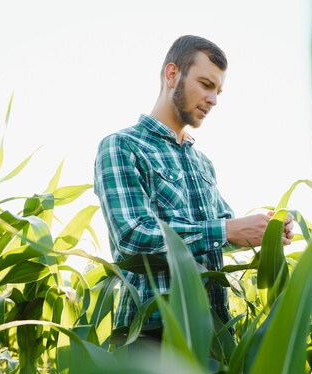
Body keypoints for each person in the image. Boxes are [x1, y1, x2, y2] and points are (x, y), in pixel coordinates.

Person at [94, 35, 294, 341]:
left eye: (218, 91)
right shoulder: (122, 146)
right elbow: (132, 236)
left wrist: (267, 230)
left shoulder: (202, 163)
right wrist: (226, 231)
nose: (213, 99)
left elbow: (224, 233)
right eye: (205, 84)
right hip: (152, 332)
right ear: (172, 74)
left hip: (214, 332)